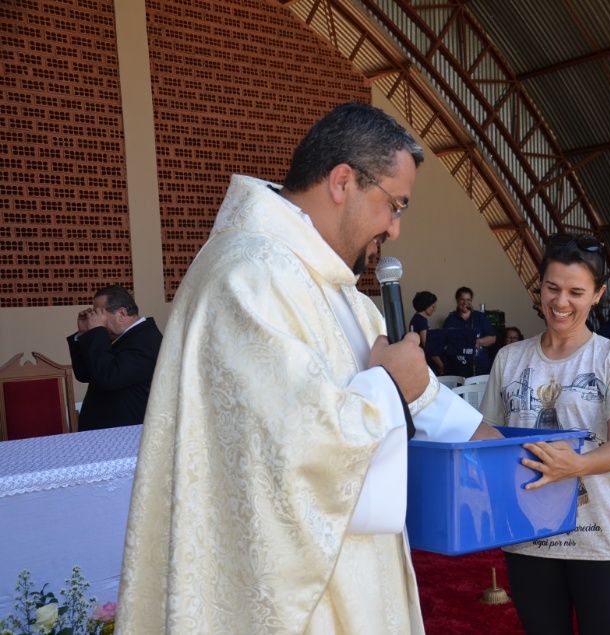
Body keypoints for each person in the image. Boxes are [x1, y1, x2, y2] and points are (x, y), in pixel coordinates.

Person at [117, 102, 499, 634]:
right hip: (296, 599)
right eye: (395, 206)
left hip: (355, 574)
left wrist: (498, 445)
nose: (395, 230)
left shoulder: (330, 285)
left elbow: (418, 392)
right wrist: (390, 384)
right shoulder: (246, 277)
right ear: (343, 181)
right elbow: (297, 448)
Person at [479, 233, 610, 634]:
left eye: (576, 291)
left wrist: (576, 465)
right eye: (552, 288)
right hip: (525, 532)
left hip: (598, 534)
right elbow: (486, 433)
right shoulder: (510, 357)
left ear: (597, 294)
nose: (561, 302)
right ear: (539, 288)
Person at [66, 284, 162, 431]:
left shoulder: (147, 341)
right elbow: (84, 374)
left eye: (100, 315)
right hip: (101, 431)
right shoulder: (117, 336)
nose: (98, 322)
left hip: (125, 433)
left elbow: (109, 378)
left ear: (122, 314)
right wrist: (85, 334)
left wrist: (97, 332)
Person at [442, 286, 496, 376]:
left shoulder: (480, 317)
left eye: (468, 300)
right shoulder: (450, 320)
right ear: (457, 301)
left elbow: (493, 338)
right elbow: (444, 342)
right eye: (462, 299)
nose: (465, 302)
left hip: (480, 366)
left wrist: (477, 342)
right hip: (458, 368)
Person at [410, 290, 444, 373]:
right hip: (426, 362)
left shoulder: (415, 319)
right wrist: (440, 364)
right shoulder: (422, 321)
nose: (434, 309)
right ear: (426, 306)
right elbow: (428, 345)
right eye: (433, 306)